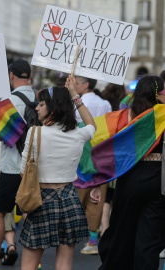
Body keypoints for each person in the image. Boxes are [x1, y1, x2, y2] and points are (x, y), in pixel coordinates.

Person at [19, 76, 100, 270]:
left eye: (41, 104)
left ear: (53, 108)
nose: (37, 108)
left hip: (41, 199)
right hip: (69, 198)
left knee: (29, 263)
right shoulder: (78, 134)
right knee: (64, 263)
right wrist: (75, 95)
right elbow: (92, 126)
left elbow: (24, 173)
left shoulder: (35, 133)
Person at [97, 75, 165, 270]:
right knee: (150, 240)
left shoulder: (126, 115)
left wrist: (76, 99)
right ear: (157, 94)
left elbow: (96, 131)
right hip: (159, 180)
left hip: (131, 178)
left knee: (121, 231)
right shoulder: (163, 115)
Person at [0, 59, 35, 270]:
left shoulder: (7, 101)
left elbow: (3, 136)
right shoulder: (42, 99)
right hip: (34, 169)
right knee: (31, 213)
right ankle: (35, 263)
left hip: (10, 167)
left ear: (11, 75)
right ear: (29, 76)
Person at [74, 75, 112, 255]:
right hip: (101, 152)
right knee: (97, 197)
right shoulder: (105, 103)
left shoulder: (78, 103)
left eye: (77, 82)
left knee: (78, 193)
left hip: (82, 152)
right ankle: (92, 239)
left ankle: (71, 237)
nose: (75, 85)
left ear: (86, 84)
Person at [100, 83, 127, 236]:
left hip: (108, 153)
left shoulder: (105, 102)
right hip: (121, 155)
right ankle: (116, 230)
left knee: (106, 197)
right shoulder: (127, 104)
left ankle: (104, 229)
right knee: (117, 196)